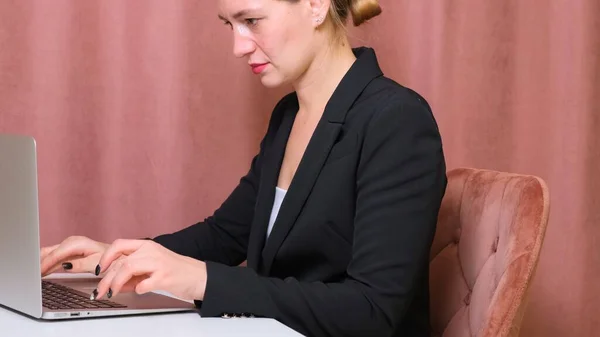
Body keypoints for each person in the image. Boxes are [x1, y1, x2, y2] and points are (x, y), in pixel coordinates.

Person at [40, 0, 447, 336]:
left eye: (251, 21)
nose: (238, 46)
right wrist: (115, 258)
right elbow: (224, 235)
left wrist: (203, 280)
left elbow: (371, 311)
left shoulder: (396, 119)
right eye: (229, 25)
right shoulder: (289, 115)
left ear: (316, 5)